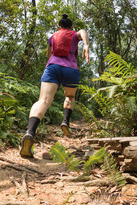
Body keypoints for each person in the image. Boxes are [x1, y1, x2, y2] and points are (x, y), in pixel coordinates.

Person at [20, 14, 90, 158]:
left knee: (43, 101)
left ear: (59, 27)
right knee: (70, 96)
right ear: (71, 27)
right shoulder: (73, 34)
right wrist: (86, 46)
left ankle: (30, 133)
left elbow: (49, 54)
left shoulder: (52, 37)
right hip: (71, 69)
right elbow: (83, 31)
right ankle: (65, 122)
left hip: (52, 67)